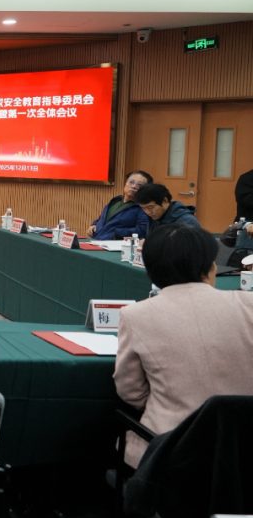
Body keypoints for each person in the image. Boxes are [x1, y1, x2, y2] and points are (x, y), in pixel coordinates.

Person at [113, 224, 253, 468]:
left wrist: (170, 403)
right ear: (210, 267)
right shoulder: (248, 304)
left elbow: (130, 391)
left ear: (151, 271)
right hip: (243, 453)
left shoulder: (135, 315)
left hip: (168, 456)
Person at [88, 170, 153, 240]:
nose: (134, 186)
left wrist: (116, 233)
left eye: (139, 184)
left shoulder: (143, 207)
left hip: (115, 244)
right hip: (96, 240)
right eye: (131, 182)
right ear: (125, 183)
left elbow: (143, 230)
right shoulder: (116, 201)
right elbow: (104, 219)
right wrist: (94, 225)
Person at [134, 183, 201, 235]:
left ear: (165, 201)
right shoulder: (155, 216)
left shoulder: (187, 222)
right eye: (143, 208)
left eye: (150, 207)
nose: (148, 212)